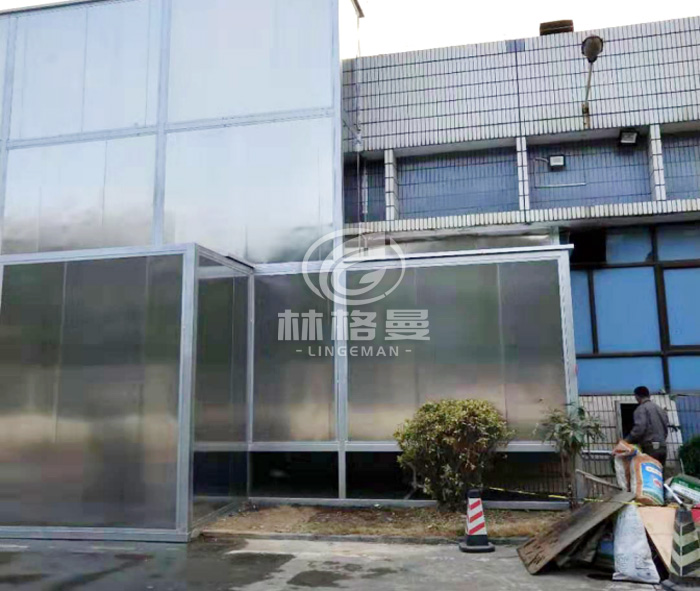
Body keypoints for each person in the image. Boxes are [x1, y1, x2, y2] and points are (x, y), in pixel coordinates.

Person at [625, 386, 669, 466]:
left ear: (637, 396)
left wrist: (626, 441)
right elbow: (665, 428)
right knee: (660, 472)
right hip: (662, 447)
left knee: (649, 471)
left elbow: (639, 428)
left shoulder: (641, 409)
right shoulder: (660, 409)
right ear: (649, 395)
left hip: (650, 447)